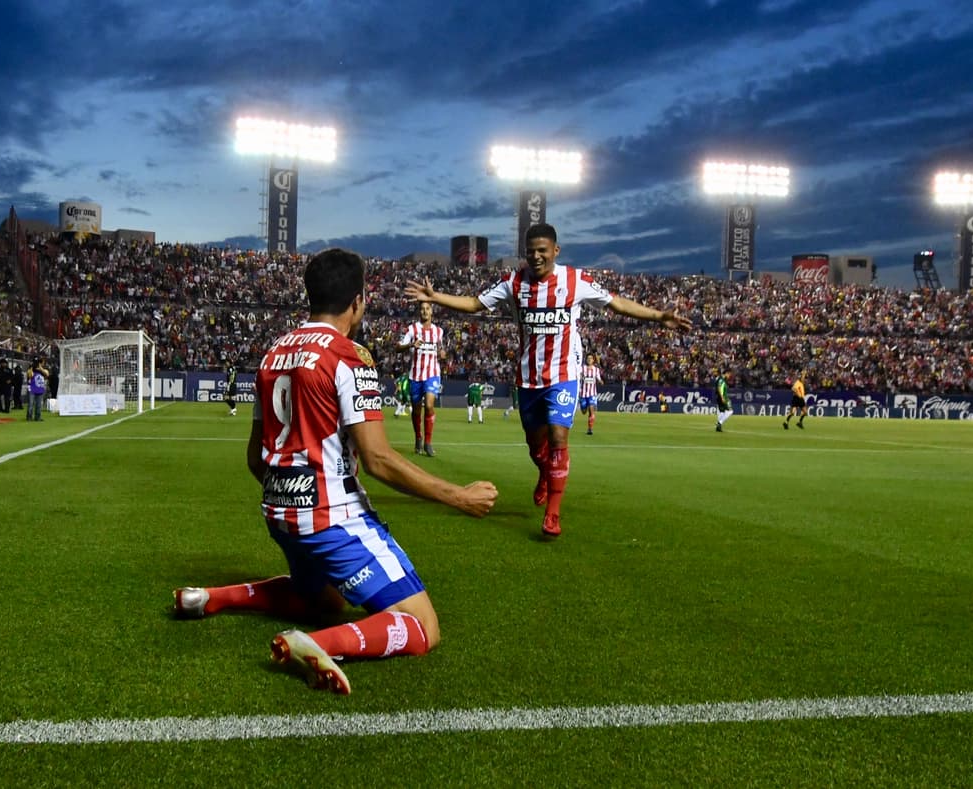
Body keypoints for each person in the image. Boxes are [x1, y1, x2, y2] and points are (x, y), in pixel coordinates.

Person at [173, 248, 497, 696]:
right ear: (358, 302)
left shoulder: (273, 355)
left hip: (281, 514)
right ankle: (313, 645)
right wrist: (458, 497)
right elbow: (379, 459)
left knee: (325, 602)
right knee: (424, 627)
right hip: (332, 519)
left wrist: (292, 496)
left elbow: (255, 457)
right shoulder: (349, 357)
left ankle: (211, 597)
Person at [405, 223, 692, 538]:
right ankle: (545, 473)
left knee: (558, 438)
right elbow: (474, 304)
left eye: (542, 250)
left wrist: (659, 316)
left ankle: (553, 514)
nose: (536, 256)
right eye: (531, 252)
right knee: (536, 447)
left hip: (564, 374)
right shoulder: (513, 282)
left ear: (556, 251)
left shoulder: (575, 281)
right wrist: (436, 297)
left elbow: (617, 303)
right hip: (528, 378)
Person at [397, 302, 445, 456]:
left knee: (430, 405)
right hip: (416, 375)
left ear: (432, 312)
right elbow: (398, 347)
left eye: (428, 309)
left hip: (432, 374)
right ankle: (418, 437)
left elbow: (441, 349)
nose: (425, 311)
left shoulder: (439, 331)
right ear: (420, 312)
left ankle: (428, 443)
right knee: (416, 409)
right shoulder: (412, 329)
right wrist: (411, 344)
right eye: (422, 309)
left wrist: (443, 354)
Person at [578, 352, 603, 435]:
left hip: (592, 393)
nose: (589, 360)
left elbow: (598, 378)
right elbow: (578, 375)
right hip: (583, 394)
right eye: (588, 358)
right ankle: (584, 407)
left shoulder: (596, 369)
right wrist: (580, 376)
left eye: (591, 359)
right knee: (584, 411)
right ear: (586, 360)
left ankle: (590, 429)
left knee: (591, 411)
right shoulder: (582, 368)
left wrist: (600, 381)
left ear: (593, 360)